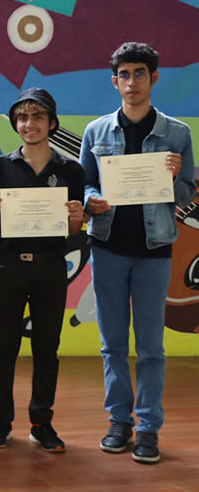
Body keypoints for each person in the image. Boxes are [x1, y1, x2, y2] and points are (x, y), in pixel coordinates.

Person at [79, 42, 194, 464]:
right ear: (115, 82)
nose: (132, 82)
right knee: (111, 345)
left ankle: (147, 427)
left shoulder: (178, 133)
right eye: (124, 75)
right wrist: (93, 200)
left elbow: (184, 198)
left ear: (153, 78)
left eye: (140, 73)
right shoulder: (95, 132)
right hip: (107, 246)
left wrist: (178, 176)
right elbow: (87, 184)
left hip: (155, 249)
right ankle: (119, 421)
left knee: (150, 347)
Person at [0, 88, 85, 452]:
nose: (30, 124)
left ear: (52, 123)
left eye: (38, 116)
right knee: (4, 348)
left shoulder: (71, 169)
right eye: (23, 117)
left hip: (51, 269)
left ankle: (42, 422)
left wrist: (77, 218)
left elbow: (71, 232)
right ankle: (0, 421)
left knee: (46, 349)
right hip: (9, 266)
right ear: (15, 124)